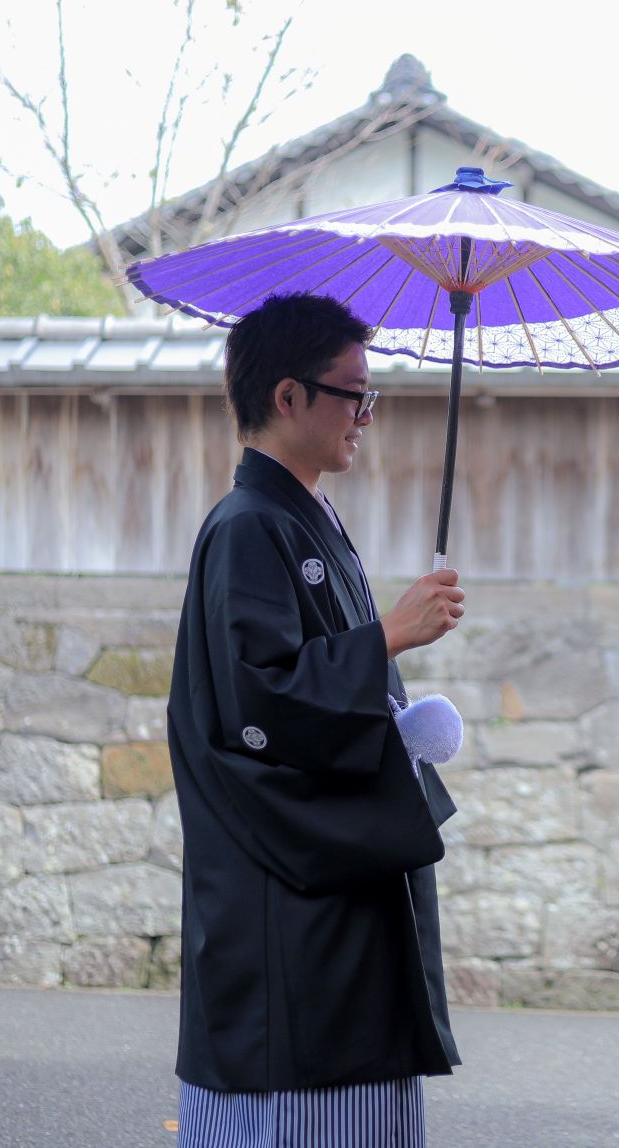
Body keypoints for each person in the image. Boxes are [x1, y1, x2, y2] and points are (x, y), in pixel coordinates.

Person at [166, 292, 467, 1147]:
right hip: (285, 892)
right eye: (352, 394)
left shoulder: (306, 518)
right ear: (288, 395)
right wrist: (390, 635)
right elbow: (259, 702)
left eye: (369, 397)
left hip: (332, 880)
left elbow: (318, 686)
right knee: (296, 1103)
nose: (364, 416)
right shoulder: (248, 525)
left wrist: (383, 662)